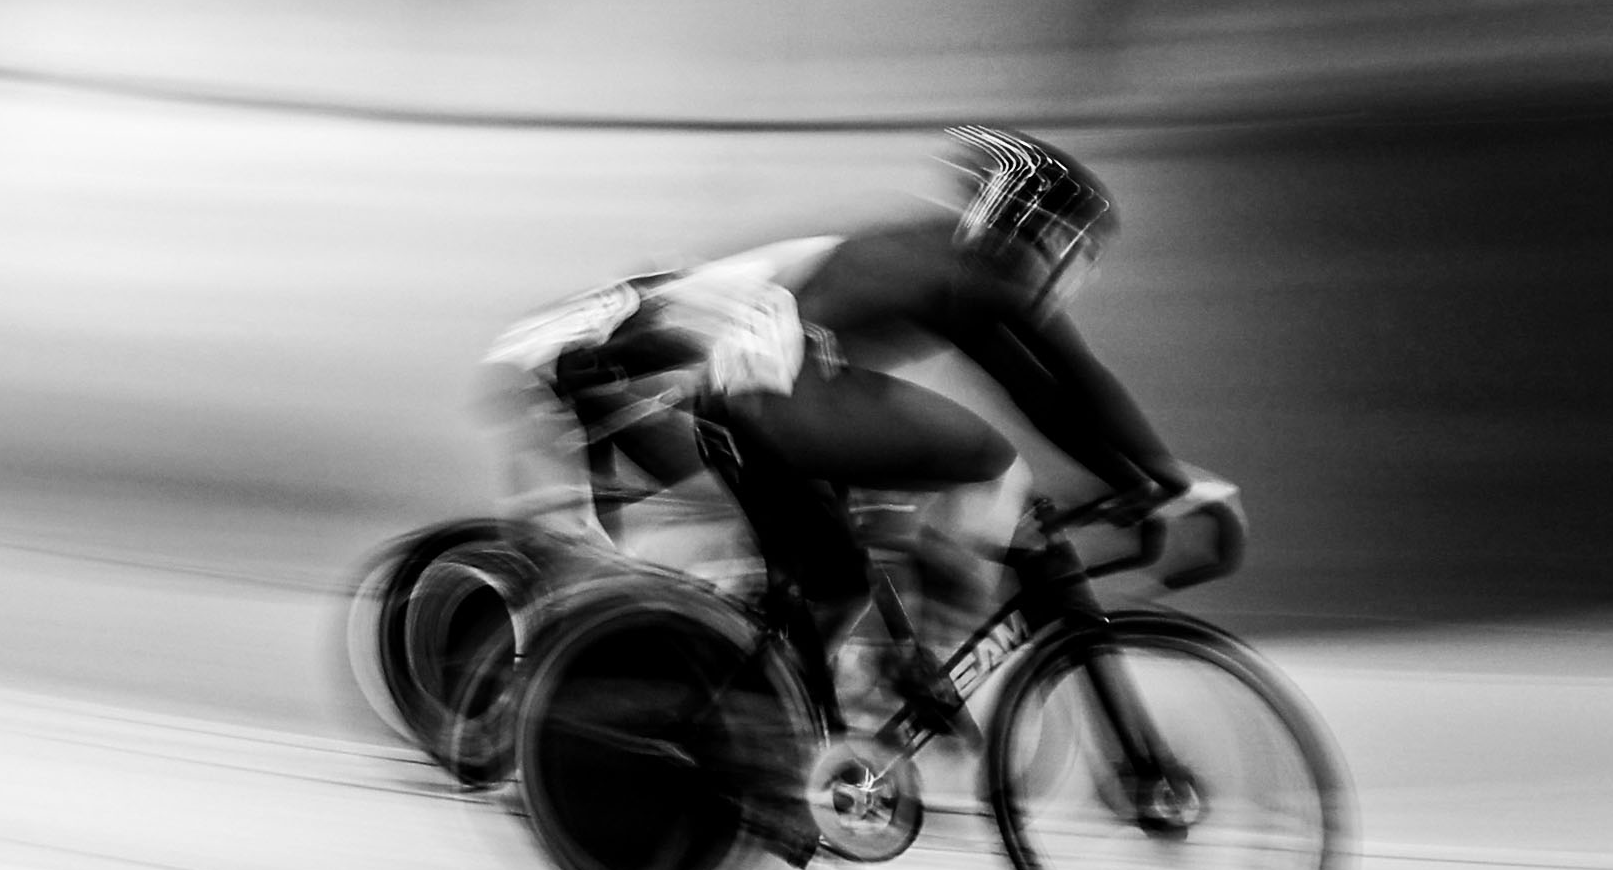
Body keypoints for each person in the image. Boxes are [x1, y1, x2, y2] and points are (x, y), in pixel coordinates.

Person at [485, 127, 1242, 727]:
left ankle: (794, 738)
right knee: (990, 465)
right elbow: (1068, 386)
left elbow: (1045, 394)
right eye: (1073, 246)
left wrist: (1136, 479)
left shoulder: (948, 270)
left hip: (745, 400)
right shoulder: (976, 265)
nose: (1073, 269)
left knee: (839, 583)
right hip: (772, 393)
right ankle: (911, 658)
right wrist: (1164, 480)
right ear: (1033, 227)